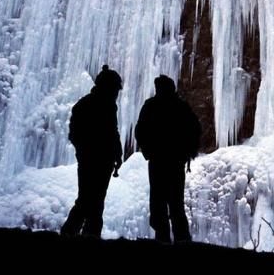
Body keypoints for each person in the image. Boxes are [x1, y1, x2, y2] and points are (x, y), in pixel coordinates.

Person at [135, 75, 201, 243]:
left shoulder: (151, 106)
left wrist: (148, 151)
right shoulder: (181, 107)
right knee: (175, 202)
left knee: (160, 201)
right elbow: (195, 130)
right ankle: (181, 239)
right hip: (174, 162)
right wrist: (187, 153)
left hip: (159, 161)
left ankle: (163, 238)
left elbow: (140, 130)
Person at [61, 65, 123, 238]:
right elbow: (78, 133)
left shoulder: (100, 105)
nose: (116, 94)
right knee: (89, 200)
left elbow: (113, 132)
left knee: (92, 200)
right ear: (107, 87)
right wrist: (87, 151)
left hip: (100, 160)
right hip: (94, 159)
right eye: (115, 89)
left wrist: (116, 155)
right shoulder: (91, 105)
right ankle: (75, 233)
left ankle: (81, 233)